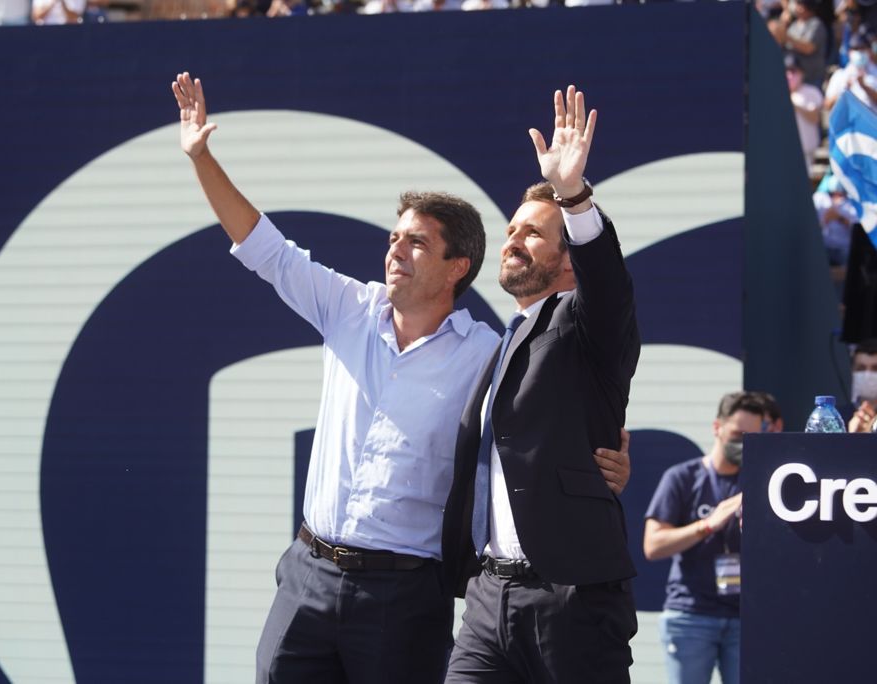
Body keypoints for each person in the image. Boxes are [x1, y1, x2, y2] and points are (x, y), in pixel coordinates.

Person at [170, 74, 631, 684]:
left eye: (416, 242)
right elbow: (265, 247)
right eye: (394, 238)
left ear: (455, 267)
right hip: (311, 573)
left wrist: (606, 461)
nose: (395, 250)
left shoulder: (487, 353)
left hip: (406, 594)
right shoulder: (347, 308)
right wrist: (202, 158)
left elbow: (555, 413)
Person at [443, 85, 641, 683]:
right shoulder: (498, 342)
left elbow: (607, 280)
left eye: (532, 232)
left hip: (571, 597)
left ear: (567, 258)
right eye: (511, 229)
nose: (512, 240)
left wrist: (572, 194)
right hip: (487, 597)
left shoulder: (587, 322)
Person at [643, 391, 769, 684]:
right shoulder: (682, 477)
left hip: (745, 617)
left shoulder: (761, 481)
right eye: (738, 434)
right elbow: (653, 545)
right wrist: (707, 525)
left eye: (752, 437)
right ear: (717, 428)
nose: (743, 444)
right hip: (691, 614)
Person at [785, 54, 824, 173]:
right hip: (783, 151)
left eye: (794, 71)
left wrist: (795, 106)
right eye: (787, 71)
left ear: (802, 73)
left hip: (806, 151)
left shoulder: (812, 92)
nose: (790, 75)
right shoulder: (775, 93)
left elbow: (814, 117)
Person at [847, 338, 877, 431]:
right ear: (852, 372)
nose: (868, 375)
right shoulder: (835, 418)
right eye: (861, 368)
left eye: (875, 368)